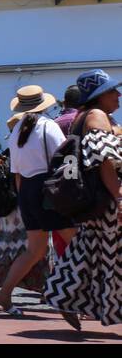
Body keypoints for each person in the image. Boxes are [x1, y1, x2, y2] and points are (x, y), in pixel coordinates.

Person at [43, 70, 122, 330]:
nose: (118, 94)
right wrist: (119, 197)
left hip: (96, 203)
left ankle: (63, 297)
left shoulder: (84, 117)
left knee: (86, 254)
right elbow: (105, 162)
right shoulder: (97, 116)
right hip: (108, 202)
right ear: (99, 95)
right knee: (109, 257)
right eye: (113, 91)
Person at [0, 86, 68, 315]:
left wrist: (25, 203)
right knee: (76, 244)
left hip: (27, 192)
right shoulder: (48, 126)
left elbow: (17, 173)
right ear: (44, 104)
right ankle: (70, 296)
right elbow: (63, 160)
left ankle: (5, 293)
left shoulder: (16, 131)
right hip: (48, 190)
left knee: (35, 250)